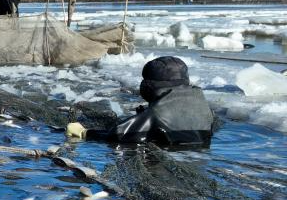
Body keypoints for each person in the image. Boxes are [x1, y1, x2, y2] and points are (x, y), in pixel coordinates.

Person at [66, 56, 216, 147]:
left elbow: (118, 135)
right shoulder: (204, 108)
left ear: (152, 85)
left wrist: (85, 133)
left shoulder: (155, 114)